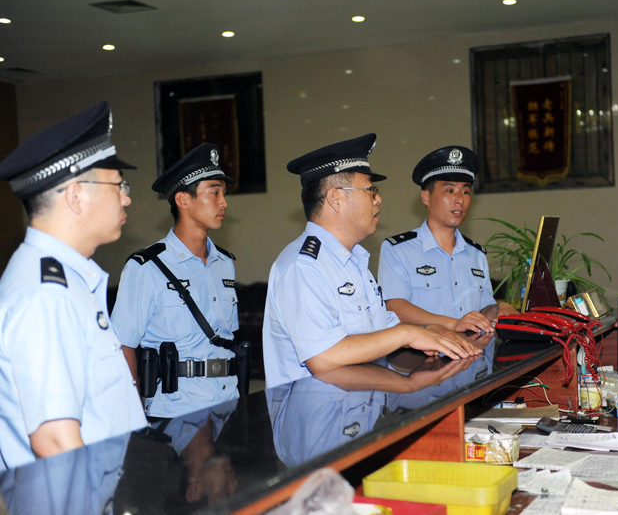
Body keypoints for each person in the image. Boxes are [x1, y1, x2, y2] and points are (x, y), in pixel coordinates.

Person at [262, 133, 480, 388]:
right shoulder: (303, 266)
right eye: (370, 190)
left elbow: (379, 325)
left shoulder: (352, 261)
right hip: (317, 420)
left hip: (362, 414)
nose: (378, 199)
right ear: (336, 199)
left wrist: (431, 329)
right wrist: (407, 338)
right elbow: (323, 357)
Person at [0, 101, 147, 469]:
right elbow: (55, 441)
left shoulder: (66, 281)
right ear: (76, 195)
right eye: (118, 184)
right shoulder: (46, 294)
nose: (127, 197)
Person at [112, 144, 240, 418]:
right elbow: (124, 346)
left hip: (229, 401)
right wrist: (134, 419)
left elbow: (229, 337)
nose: (224, 202)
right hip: (175, 410)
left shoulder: (224, 264)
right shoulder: (147, 267)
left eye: (224, 194)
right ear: (183, 200)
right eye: (215, 192)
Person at [378, 146, 518, 333]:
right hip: (421, 357)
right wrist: (452, 323)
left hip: (470, 356)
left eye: (465, 192)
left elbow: (484, 308)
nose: (459, 199)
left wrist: (499, 309)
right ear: (426, 197)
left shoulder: (476, 254)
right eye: (450, 190)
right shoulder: (398, 250)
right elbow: (395, 307)